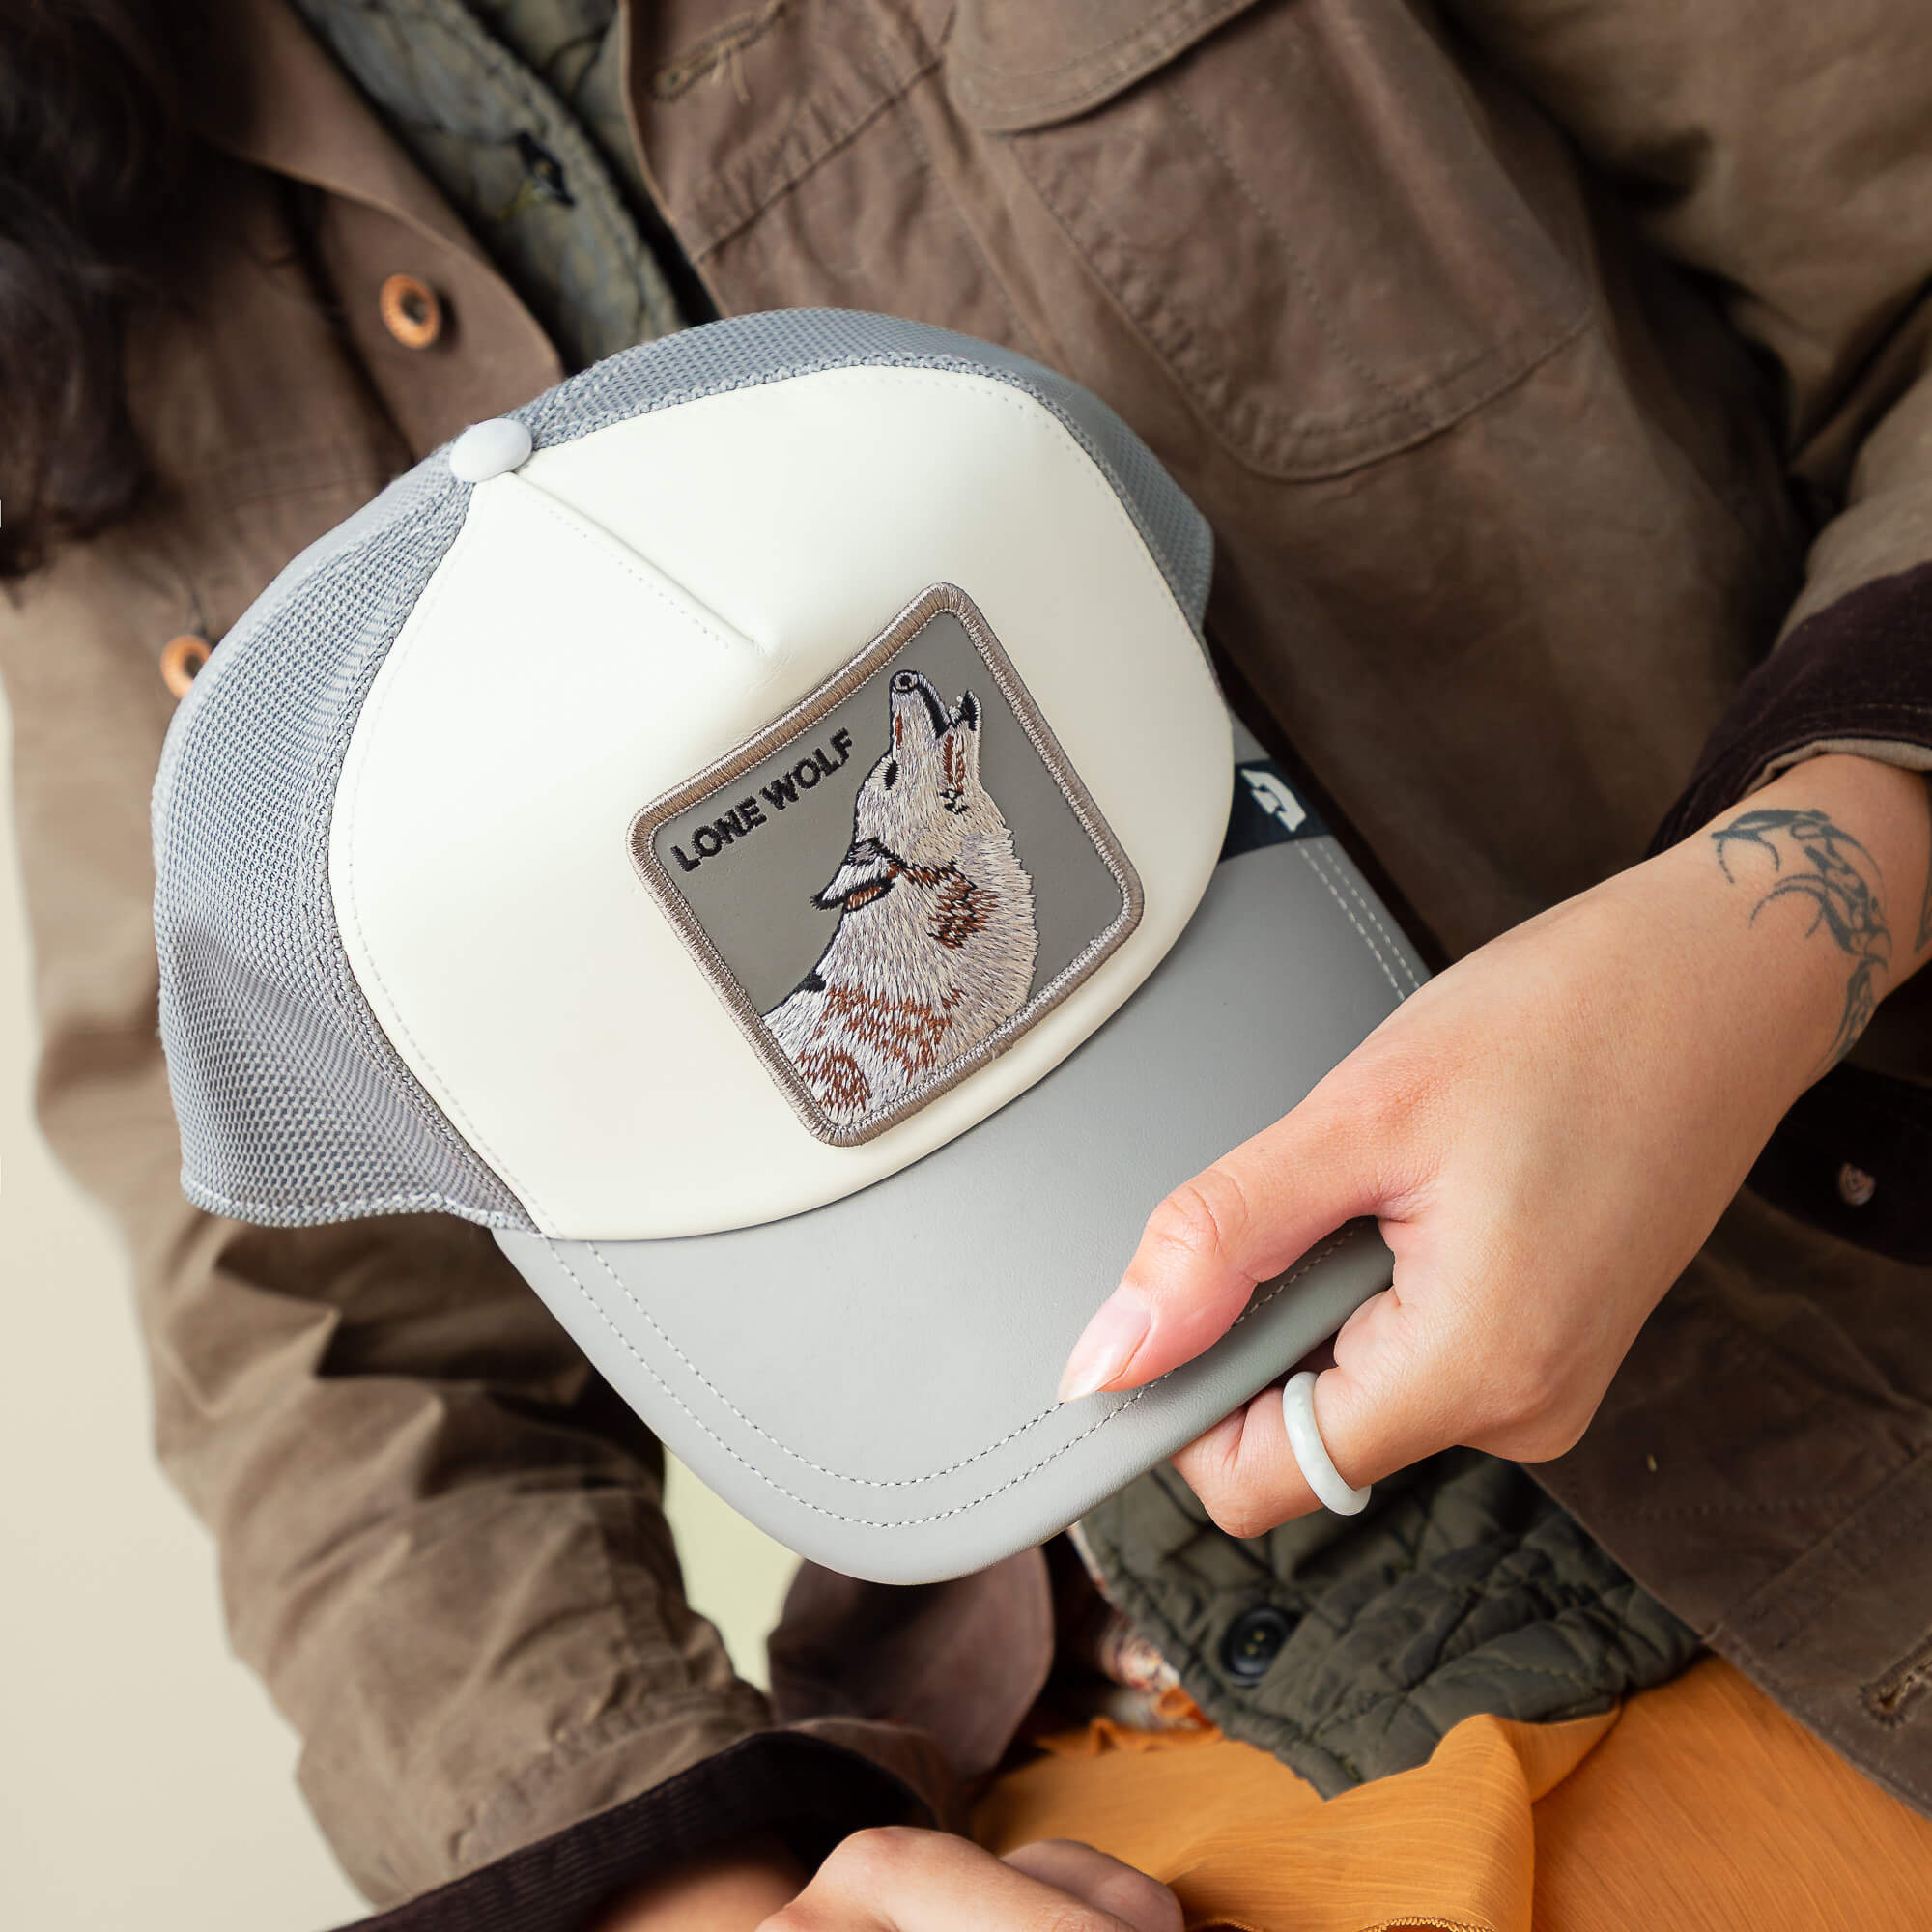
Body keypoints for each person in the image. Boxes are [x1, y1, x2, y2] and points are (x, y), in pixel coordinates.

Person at [5, 2, 1932, 1927]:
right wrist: (699, 1898)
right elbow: (321, 1318)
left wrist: (1782, 917)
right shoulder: (52, 210)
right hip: (1107, 1759)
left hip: (1845, 1372)